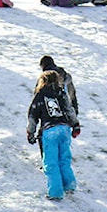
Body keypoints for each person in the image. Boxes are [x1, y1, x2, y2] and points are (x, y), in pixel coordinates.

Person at [26, 69, 81, 200]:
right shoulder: (61, 93)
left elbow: (32, 116)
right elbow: (69, 109)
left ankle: (55, 192)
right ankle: (70, 185)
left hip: (49, 131)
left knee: (51, 163)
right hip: (64, 129)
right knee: (64, 158)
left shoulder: (39, 96)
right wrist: (75, 125)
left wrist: (30, 132)